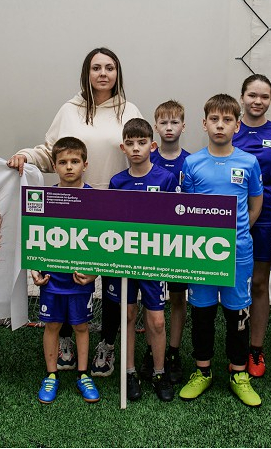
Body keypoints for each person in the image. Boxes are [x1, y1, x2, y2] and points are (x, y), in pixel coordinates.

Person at [7, 47, 142, 377]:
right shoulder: (70, 110)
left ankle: (107, 344)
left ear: (117, 73)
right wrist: (25, 155)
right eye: (96, 67)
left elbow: (140, 151)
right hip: (71, 209)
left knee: (112, 281)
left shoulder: (129, 110)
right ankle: (65, 340)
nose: (103, 73)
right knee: (68, 276)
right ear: (87, 73)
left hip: (113, 208)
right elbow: (51, 151)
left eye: (109, 67)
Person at [178, 94, 263, 407]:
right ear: (204, 124)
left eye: (227, 120)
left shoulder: (249, 162)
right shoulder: (192, 163)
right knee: (202, 312)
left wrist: (236, 233)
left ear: (237, 126)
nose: (220, 125)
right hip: (201, 253)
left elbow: (255, 205)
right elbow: (186, 209)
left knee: (237, 313)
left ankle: (239, 373)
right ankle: (202, 371)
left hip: (238, 252)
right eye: (214, 119)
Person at [107, 118, 177, 402]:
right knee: (127, 315)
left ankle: (159, 372)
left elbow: (175, 221)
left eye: (142, 142)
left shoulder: (165, 179)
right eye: (130, 143)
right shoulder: (117, 182)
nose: (136, 148)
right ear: (123, 148)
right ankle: (129, 372)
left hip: (153, 262)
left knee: (157, 321)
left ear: (153, 145)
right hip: (124, 262)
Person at [232, 74, 271, 377]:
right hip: (230, 220)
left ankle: (255, 349)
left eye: (264, 96)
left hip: (266, 219)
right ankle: (233, 345)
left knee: (258, 283)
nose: (258, 101)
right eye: (252, 95)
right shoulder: (230, 129)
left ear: (270, 99)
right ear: (242, 97)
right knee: (230, 283)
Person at [33, 137, 100, 404]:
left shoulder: (95, 199)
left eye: (74, 161)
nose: (69, 167)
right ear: (54, 166)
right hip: (52, 278)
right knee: (52, 325)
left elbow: (103, 239)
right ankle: (51, 375)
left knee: (81, 326)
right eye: (63, 162)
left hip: (80, 279)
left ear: (85, 164)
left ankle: (83, 375)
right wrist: (35, 268)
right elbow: (35, 235)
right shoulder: (45, 199)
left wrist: (95, 271)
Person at [147, 99, 190, 385]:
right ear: (156, 126)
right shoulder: (147, 157)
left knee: (177, 297)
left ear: (183, 126)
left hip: (179, 243)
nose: (169, 127)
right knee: (152, 299)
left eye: (174, 122)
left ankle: (173, 351)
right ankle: (153, 351)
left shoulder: (191, 161)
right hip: (152, 241)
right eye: (163, 122)